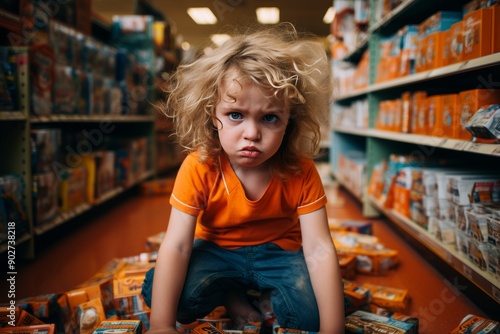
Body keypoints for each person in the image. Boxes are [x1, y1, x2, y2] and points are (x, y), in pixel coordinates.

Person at [142, 23, 345, 333]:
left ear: (290, 121)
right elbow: (178, 245)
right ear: (213, 114)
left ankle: (257, 293)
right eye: (236, 115)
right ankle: (232, 293)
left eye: (270, 117)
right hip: (216, 250)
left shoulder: (301, 170)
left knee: (313, 316)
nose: (252, 134)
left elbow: (318, 249)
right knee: (166, 297)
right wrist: (160, 325)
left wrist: (334, 329)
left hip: (279, 253)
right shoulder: (199, 165)